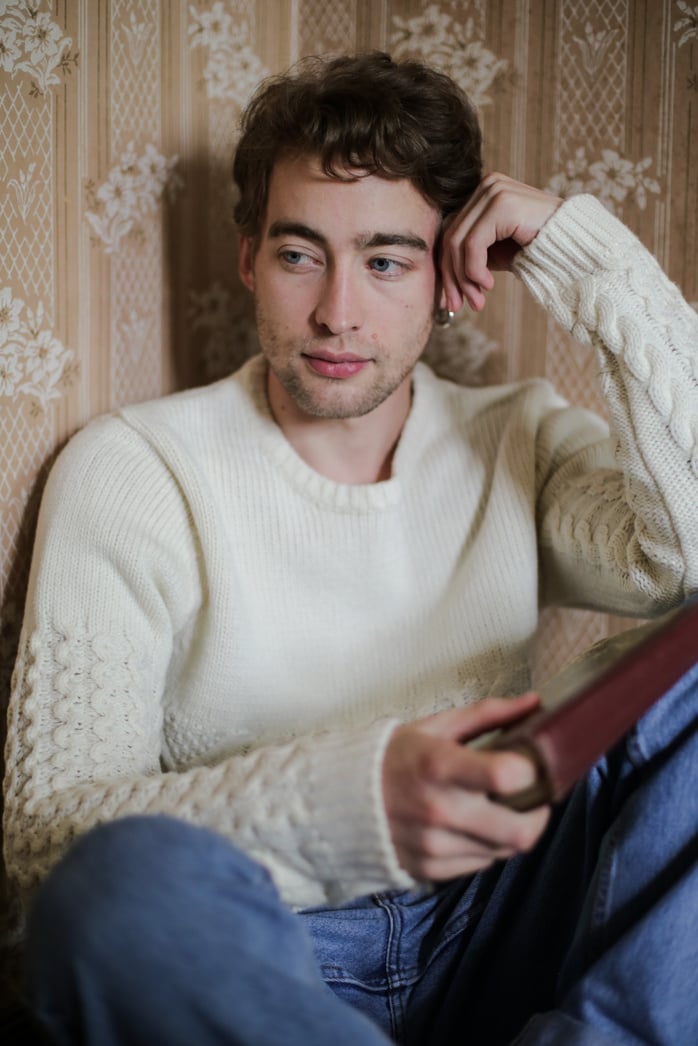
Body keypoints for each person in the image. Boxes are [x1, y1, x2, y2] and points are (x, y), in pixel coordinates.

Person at [3, 51, 698, 1045]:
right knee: (108, 887)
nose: (336, 310)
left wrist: (581, 255)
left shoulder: (520, 438)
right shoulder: (136, 468)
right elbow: (39, 857)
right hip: (269, 946)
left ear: (451, 276)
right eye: (298, 254)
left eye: (383, 260)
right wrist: (345, 802)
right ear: (248, 258)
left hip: (500, 911)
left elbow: (687, 551)